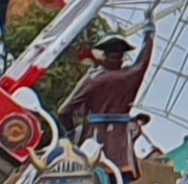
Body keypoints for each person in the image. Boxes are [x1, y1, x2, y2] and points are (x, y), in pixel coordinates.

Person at [60, 25, 155, 166]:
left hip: (93, 142)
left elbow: (64, 111)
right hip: (121, 146)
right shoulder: (130, 76)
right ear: (122, 57)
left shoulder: (93, 80)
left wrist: (71, 133)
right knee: (123, 173)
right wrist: (149, 33)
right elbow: (143, 62)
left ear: (104, 55)